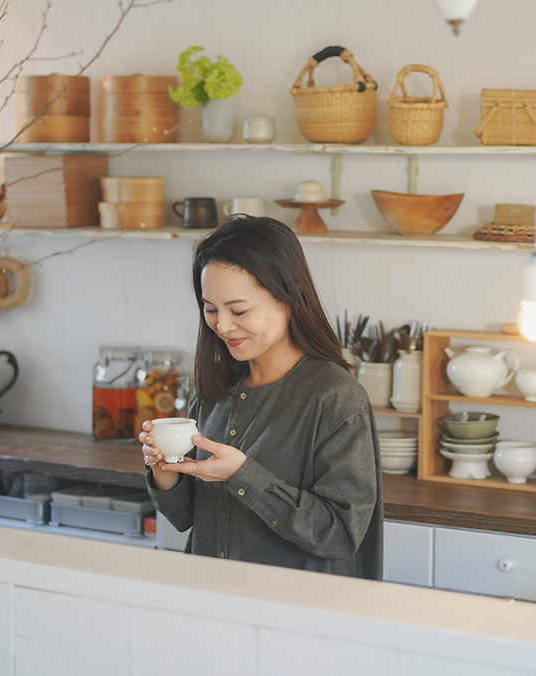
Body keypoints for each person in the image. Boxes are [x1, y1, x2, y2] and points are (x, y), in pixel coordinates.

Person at [139, 214, 383, 580]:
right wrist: (166, 472)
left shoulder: (335, 398)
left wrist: (243, 474)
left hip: (295, 618)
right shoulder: (216, 391)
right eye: (210, 309)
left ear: (288, 298)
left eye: (238, 310)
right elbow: (187, 517)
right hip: (213, 603)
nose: (222, 325)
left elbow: (339, 534)